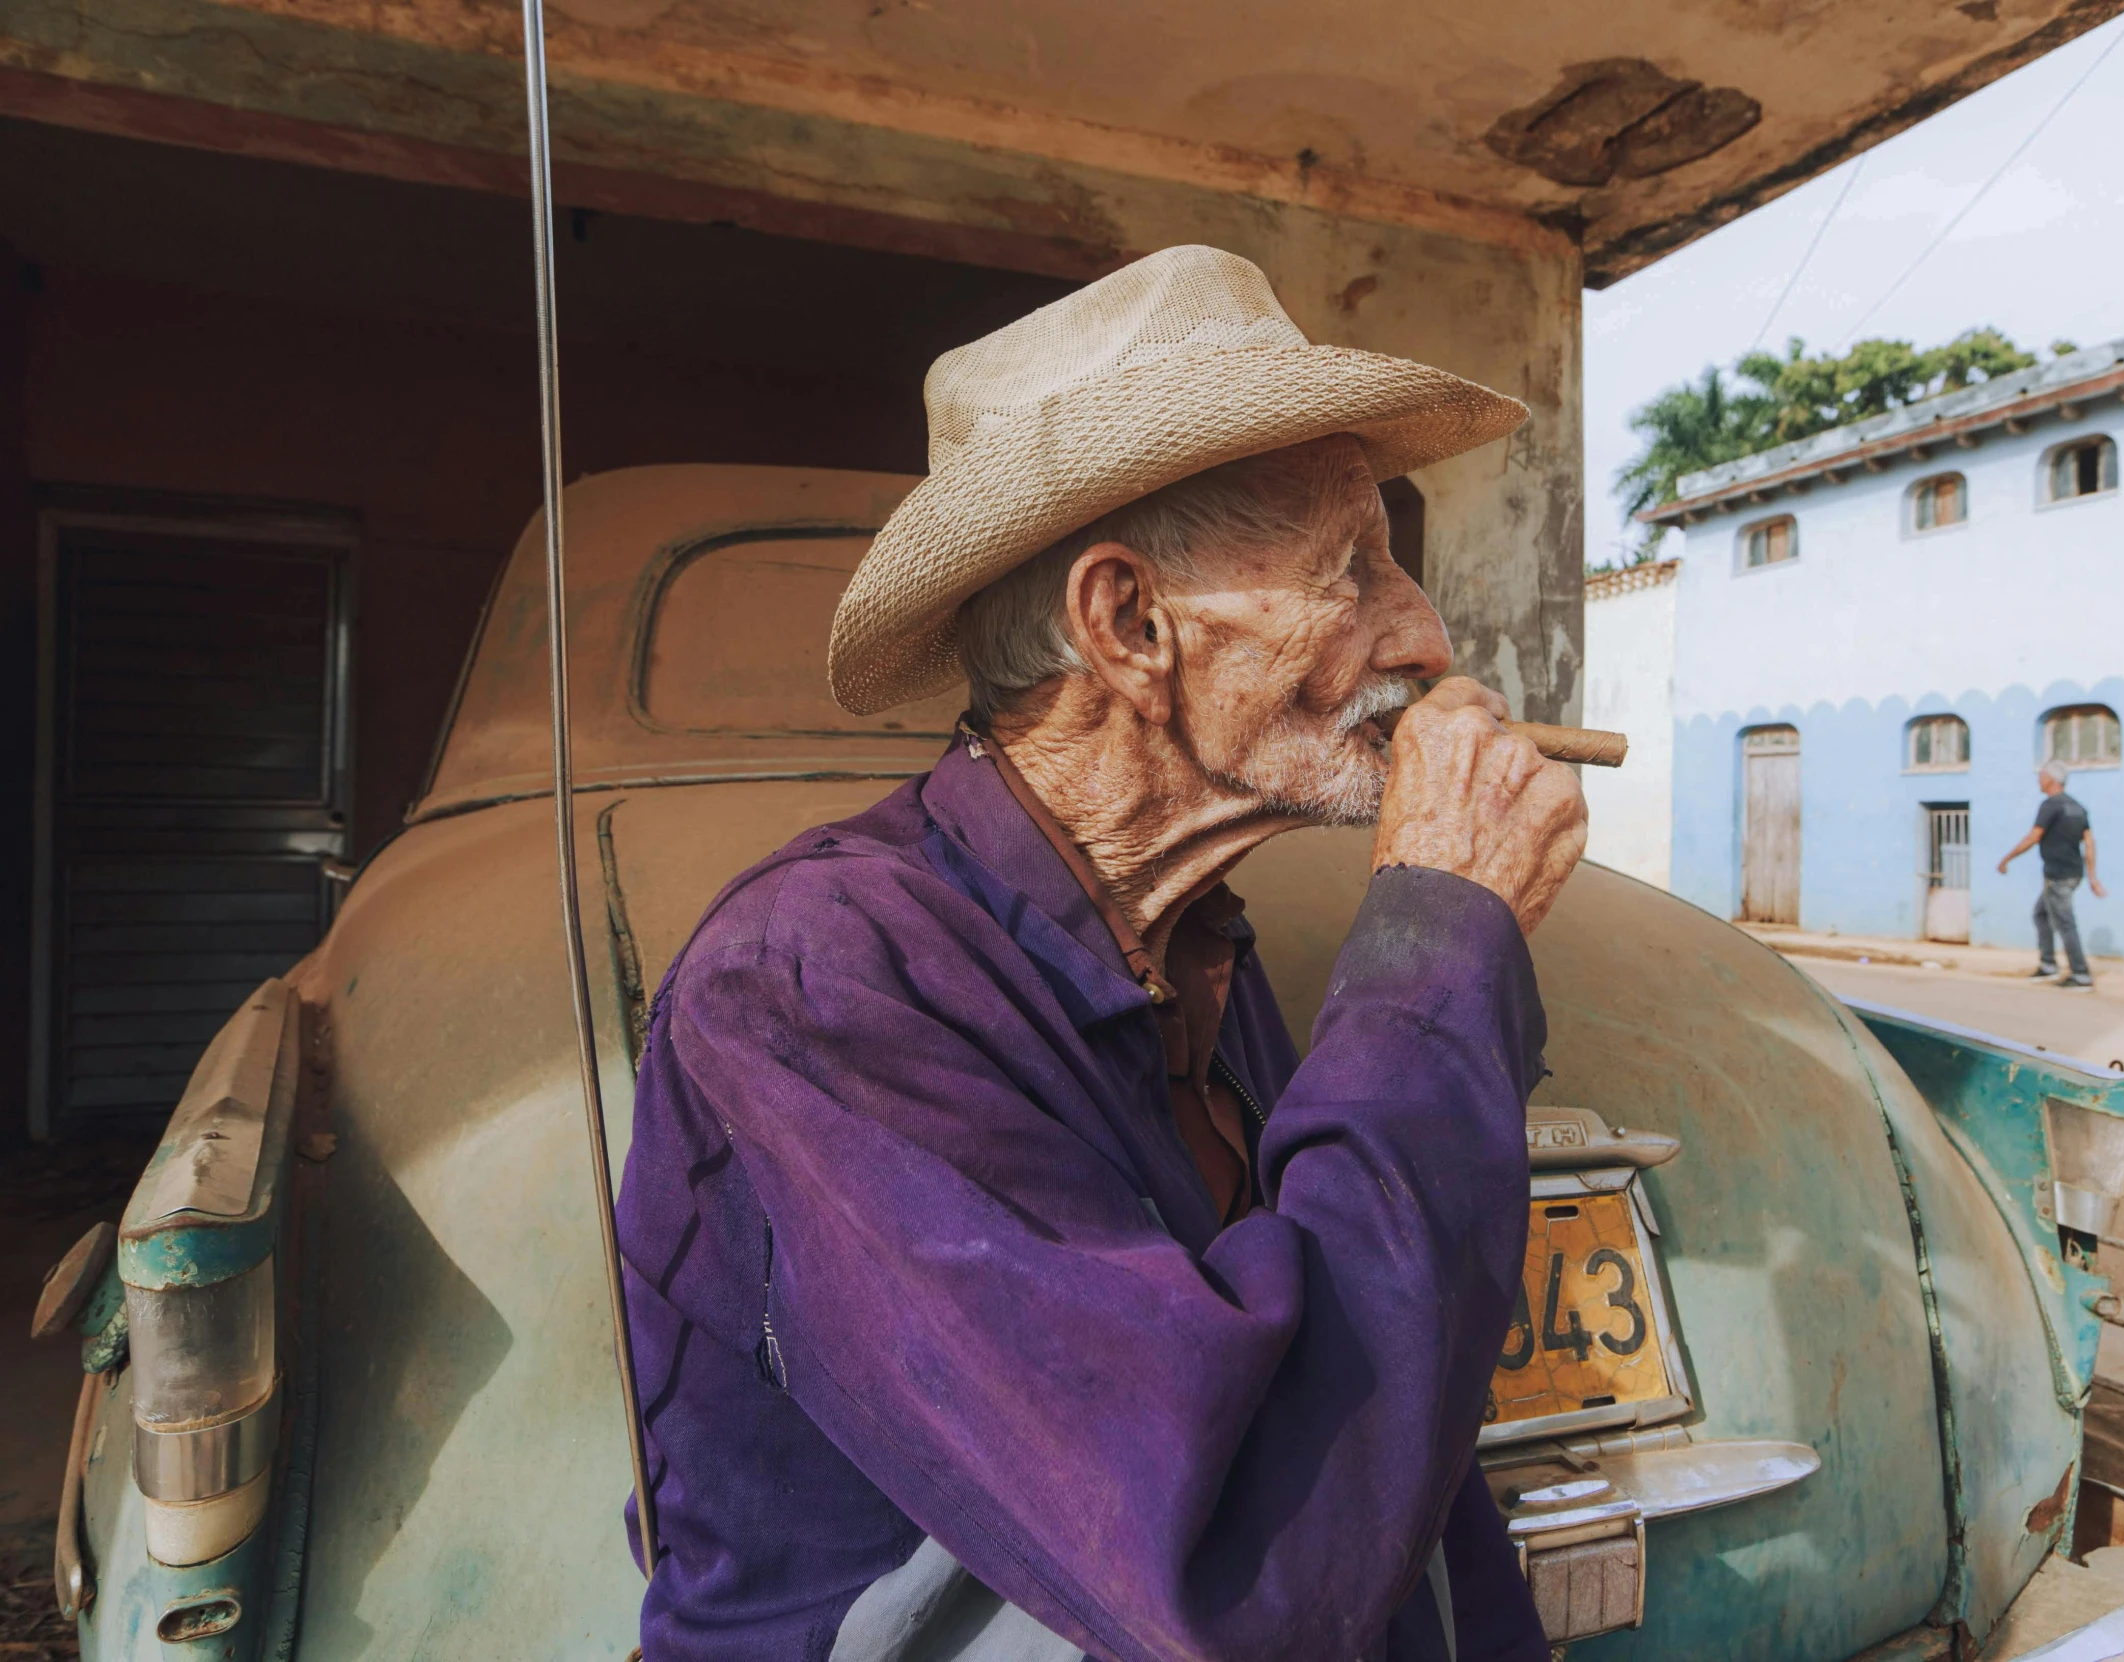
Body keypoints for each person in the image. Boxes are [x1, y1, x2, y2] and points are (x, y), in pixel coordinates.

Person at [614, 244, 1587, 1662]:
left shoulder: (1189, 943)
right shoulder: (813, 984)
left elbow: (1374, 1432)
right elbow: (1240, 1565)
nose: (1423, 632)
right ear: (1128, 624)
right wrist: (1440, 944)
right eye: (1352, 569)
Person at [1998, 760, 2105, 988]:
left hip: (2057, 875)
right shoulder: (2078, 807)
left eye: (2041, 777)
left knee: (2065, 923)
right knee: (2042, 915)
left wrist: (2007, 858)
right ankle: (2048, 965)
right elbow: (2089, 843)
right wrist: (2092, 877)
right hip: (2074, 873)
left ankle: (2081, 975)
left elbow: (2034, 837)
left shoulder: (2050, 805)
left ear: (2050, 780)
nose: (2038, 781)